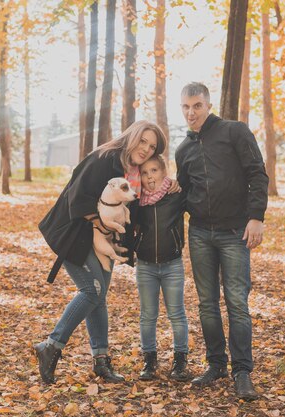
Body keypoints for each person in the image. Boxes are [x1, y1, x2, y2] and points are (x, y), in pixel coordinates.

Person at [35, 120, 167, 385]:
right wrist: (99, 224)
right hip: (75, 234)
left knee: (99, 296)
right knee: (92, 290)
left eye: (151, 146)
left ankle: (101, 361)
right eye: (143, 141)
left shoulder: (132, 173)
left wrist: (170, 187)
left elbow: (138, 207)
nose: (145, 149)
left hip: (102, 240)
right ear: (132, 136)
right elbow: (77, 197)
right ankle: (50, 346)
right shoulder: (104, 158)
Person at [175, 82, 268, 400]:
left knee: (237, 303)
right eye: (186, 107)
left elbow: (258, 173)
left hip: (234, 233)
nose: (191, 112)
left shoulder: (234, 132)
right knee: (206, 304)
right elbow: (184, 194)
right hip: (199, 233)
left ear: (208, 104)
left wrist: (256, 216)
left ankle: (242, 372)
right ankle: (216, 364)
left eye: (197, 105)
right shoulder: (183, 149)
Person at [133, 155, 191, 382]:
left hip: (172, 265)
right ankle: (149, 360)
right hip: (146, 266)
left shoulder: (176, 195)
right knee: (148, 315)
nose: (150, 177)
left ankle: (180, 361)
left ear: (164, 172)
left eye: (154, 171)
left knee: (176, 314)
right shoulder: (136, 200)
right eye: (145, 173)